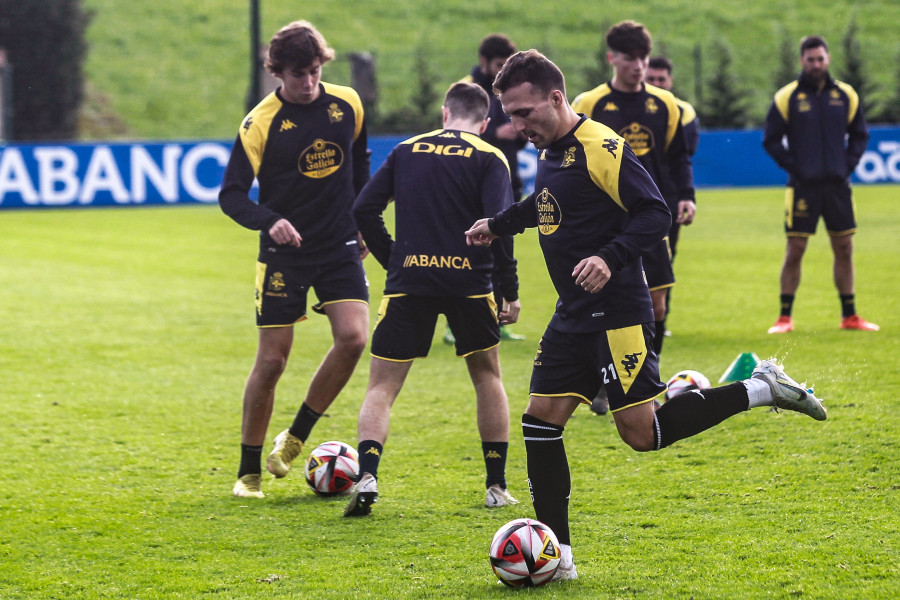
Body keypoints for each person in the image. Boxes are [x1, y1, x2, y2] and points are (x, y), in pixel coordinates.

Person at [465, 49, 826, 583]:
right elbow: (546, 204)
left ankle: (761, 388)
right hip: (574, 312)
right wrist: (498, 224)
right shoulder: (551, 151)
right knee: (540, 422)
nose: (516, 127)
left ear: (556, 98)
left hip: (618, 314)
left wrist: (608, 257)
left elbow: (654, 211)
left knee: (641, 434)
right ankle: (558, 556)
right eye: (509, 115)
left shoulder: (601, 146)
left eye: (523, 113)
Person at [343, 82, 521, 517]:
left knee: (382, 386)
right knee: (487, 379)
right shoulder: (489, 155)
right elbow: (500, 226)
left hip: (411, 282)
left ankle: (367, 473)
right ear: (483, 123)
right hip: (469, 284)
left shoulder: (407, 150)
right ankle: (495, 486)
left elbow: (364, 208)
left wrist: (395, 260)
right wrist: (509, 291)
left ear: (444, 114)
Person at [219, 20, 371, 499]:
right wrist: (269, 221)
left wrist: (365, 221)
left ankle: (296, 436)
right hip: (284, 254)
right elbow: (231, 195)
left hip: (340, 243)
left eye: (312, 71)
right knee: (272, 362)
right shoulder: (259, 122)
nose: (306, 83)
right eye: (296, 75)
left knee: (353, 338)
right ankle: (248, 472)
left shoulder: (348, 104)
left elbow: (361, 166)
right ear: (276, 72)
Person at [572, 21, 696, 361]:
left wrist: (686, 195)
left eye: (644, 57)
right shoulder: (589, 103)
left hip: (651, 218)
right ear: (612, 57)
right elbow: (571, 160)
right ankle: (600, 378)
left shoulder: (666, 103)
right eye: (630, 58)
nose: (639, 65)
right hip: (604, 220)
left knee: (657, 302)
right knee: (600, 300)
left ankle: (647, 377)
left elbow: (678, 157)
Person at [763, 35, 877, 333]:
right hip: (802, 187)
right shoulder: (787, 97)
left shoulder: (845, 95)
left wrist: (847, 164)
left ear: (828, 59)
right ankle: (784, 317)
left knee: (844, 247)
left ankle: (850, 316)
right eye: (810, 59)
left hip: (838, 186)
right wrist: (794, 168)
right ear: (802, 60)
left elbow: (860, 134)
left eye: (820, 58)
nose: (816, 64)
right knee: (796, 248)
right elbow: (771, 140)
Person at [447, 33, 526, 344]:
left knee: (500, 245)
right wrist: (496, 132)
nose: (502, 70)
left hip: (507, 178)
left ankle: (497, 315)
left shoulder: (509, 84)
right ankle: (454, 323)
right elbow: (455, 130)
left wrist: (515, 132)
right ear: (484, 62)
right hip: (471, 181)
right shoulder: (466, 88)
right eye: (498, 65)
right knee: (465, 249)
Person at [645, 55, 700, 257]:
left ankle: (663, 291)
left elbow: (682, 152)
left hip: (669, 192)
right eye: (651, 79)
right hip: (631, 192)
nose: (657, 84)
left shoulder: (683, 111)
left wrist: (686, 195)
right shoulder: (629, 108)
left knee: (667, 254)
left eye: (661, 79)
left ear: (670, 81)